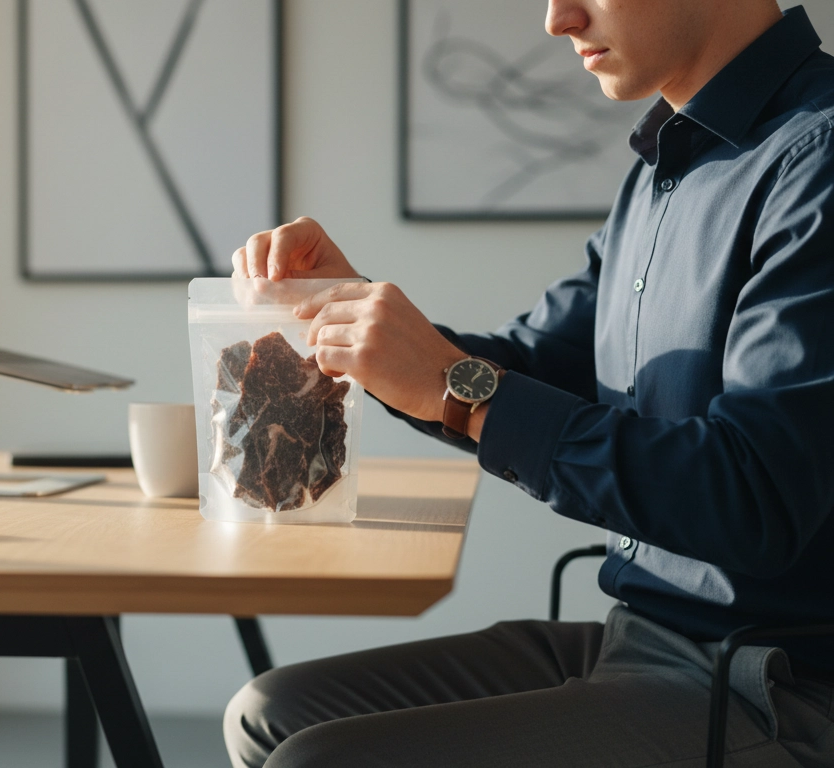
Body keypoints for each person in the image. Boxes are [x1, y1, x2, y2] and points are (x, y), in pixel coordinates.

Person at [222, 1, 834, 766]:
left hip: (776, 682)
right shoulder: (665, 170)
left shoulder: (818, 160)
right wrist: (356, 320)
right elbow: (534, 363)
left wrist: (457, 386)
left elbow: (756, 498)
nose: (557, 19)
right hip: (643, 638)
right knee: (268, 713)